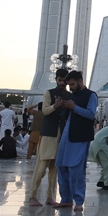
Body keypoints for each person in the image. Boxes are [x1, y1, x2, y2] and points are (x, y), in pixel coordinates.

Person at [54, 71, 97, 211]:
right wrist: (63, 107)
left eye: (72, 84)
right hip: (67, 135)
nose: (70, 87)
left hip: (80, 137)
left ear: (80, 81)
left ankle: (78, 201)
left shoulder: (91, 95)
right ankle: (66, 199)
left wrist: (74, 107)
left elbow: (91, 114)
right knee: (62, 166)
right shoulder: (71, 96)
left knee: (76, 169)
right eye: (69, 85)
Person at [28, 68, 69, 207]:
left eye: (64, 81)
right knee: (41, 167)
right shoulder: (49, 93)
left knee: (54, 169)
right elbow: (45, 110)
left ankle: (50, 196)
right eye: (60, 80)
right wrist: (55, 106)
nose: (62, 83)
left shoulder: (69, 96)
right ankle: (33, 195)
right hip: (48, 134)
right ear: (56, 79)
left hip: (61, 135)